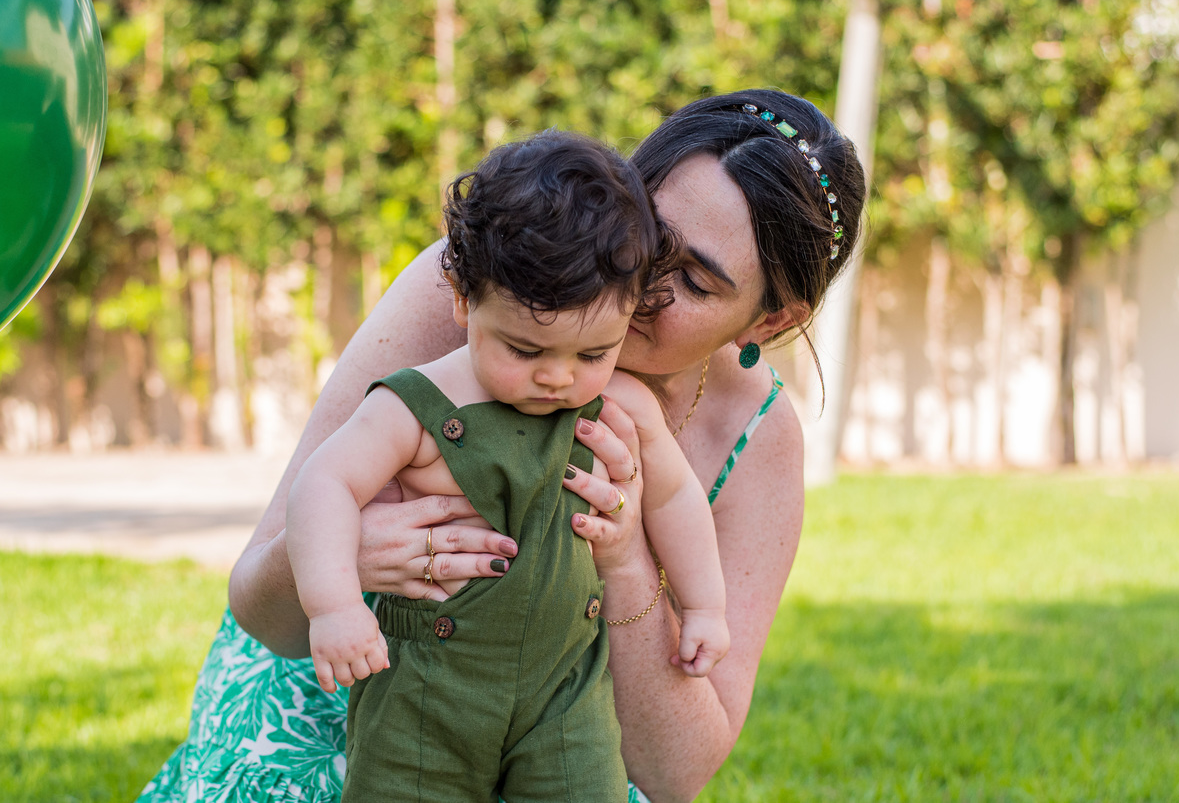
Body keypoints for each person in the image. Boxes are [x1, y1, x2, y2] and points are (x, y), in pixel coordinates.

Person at [137, 88, 866, 803]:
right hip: (349, 692)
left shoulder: (757, 437)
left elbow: (678, 774)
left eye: (695, 282)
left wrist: (625, 562)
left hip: (555, 736)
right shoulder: (496, 288)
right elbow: (260, 606)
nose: (643, 281)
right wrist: (345, 558)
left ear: (770, 321)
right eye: (650, 232)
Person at [287, 130, 727, 801]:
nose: (558, 377)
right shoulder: (415, 404)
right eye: (524, 349)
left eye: (592, 353)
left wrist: (703, 606)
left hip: (565, 691)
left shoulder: (622, 405)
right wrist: (335, 607)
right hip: (427, 692)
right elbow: (324, 484)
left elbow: (673, 498)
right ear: (465, 299)